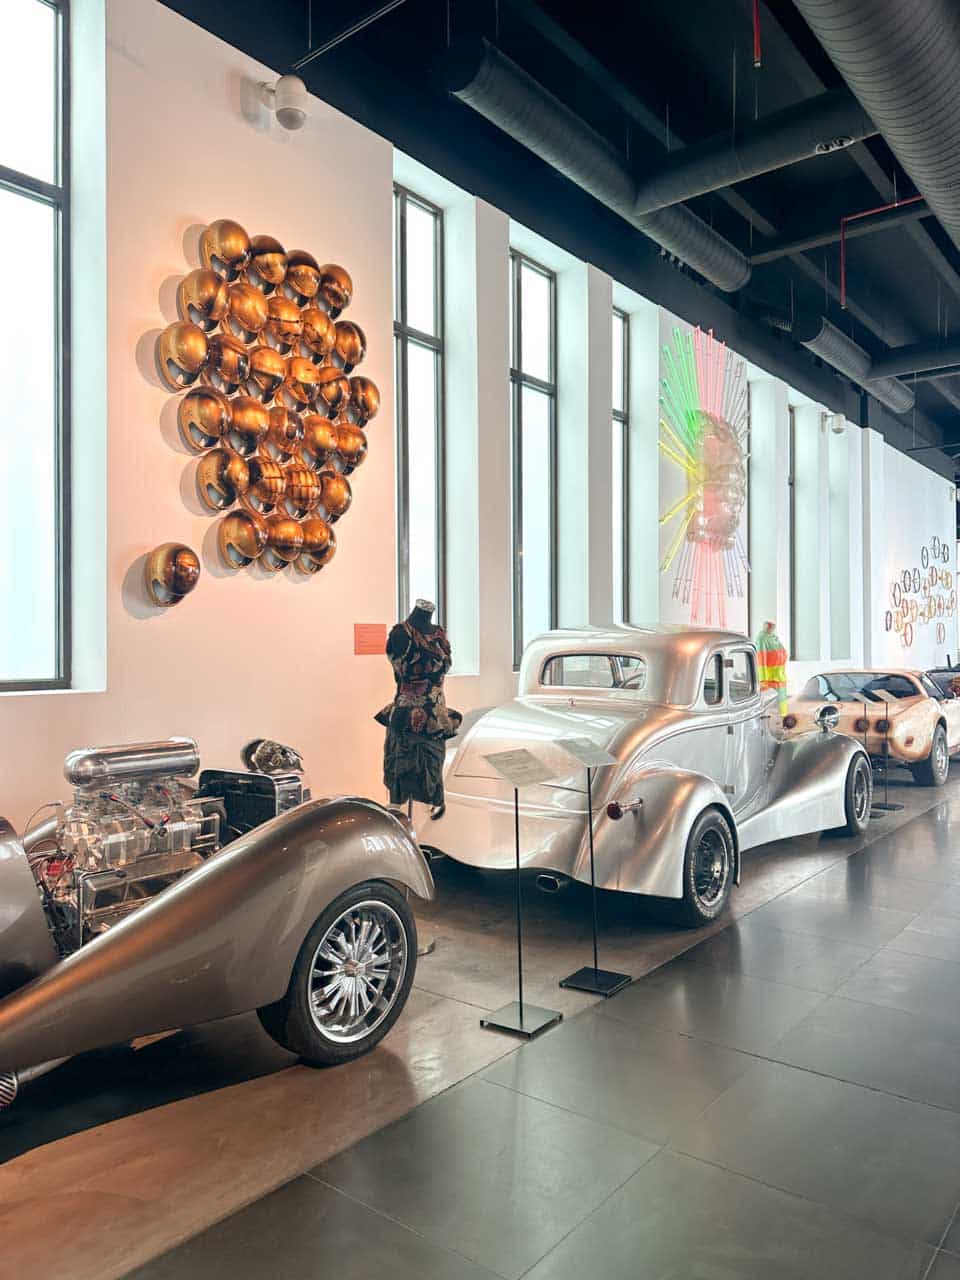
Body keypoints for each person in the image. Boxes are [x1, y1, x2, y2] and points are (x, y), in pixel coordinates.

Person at [375, 599, 462, 815]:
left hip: (436, 713)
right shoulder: (400, 633)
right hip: (407, 713)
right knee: (402, 764)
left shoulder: (439, 633)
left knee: (432, 765)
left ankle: (431, 803)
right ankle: (398, 803)